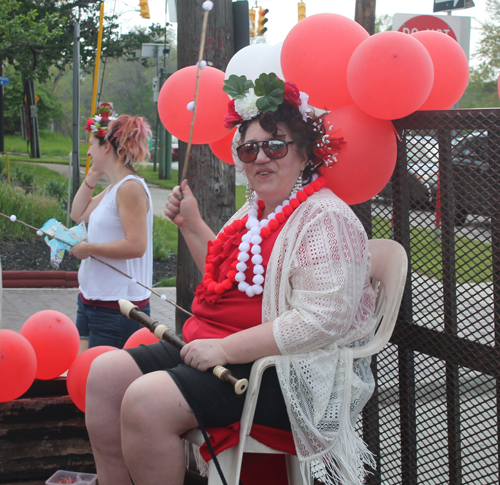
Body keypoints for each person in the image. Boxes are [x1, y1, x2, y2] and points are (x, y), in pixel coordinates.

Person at [84, 74, 377, 485]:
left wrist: (223, 347)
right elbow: (223, 277)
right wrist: (192, 225)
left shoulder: (325, 219)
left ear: (306, 152)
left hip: (275, 374)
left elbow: (320, 321)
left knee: (146, 402)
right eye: (248, 148)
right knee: (106, 374)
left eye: (275, 145)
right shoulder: (254, 211)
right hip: (212, 349)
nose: (260, 158)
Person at [69, 111, 153, 351]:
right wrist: (92, 178)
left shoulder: (130, 188)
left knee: (102, 381)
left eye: (92, 145)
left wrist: (88, 249)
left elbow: (136, 245)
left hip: (117, 309)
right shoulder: (115, 187)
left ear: (106, 146)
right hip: (91, 300)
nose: (88, 152)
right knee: (83, 374)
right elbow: (78, 214)